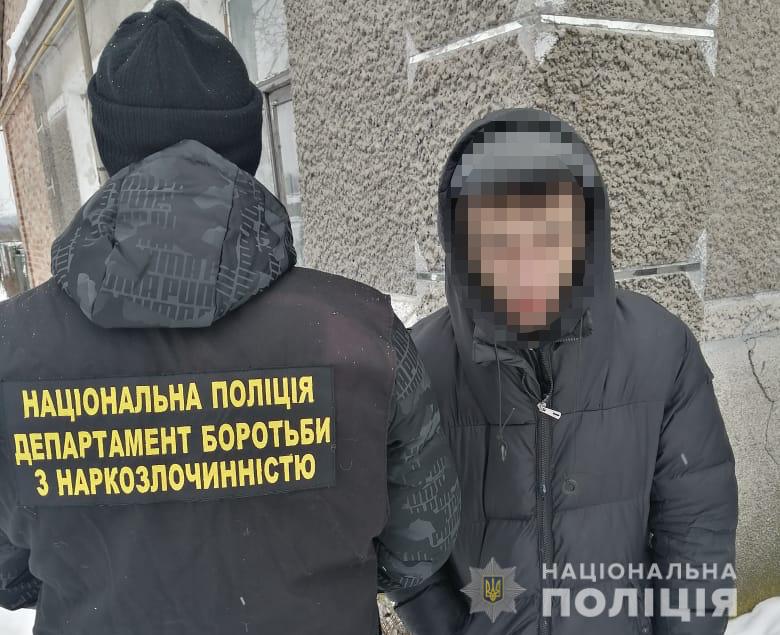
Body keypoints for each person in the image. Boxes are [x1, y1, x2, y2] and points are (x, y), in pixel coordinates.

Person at [0, 3, 460, 634]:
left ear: (109, 150)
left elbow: (10, 573)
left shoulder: (12, 350)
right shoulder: (361, 334)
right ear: (248, 147)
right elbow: (418, 547)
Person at [388, 108, 738, 635]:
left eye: (550, 236)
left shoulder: (660, 351)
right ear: (463, 248)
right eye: (498, 241)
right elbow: (408, 542)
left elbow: (698, 535)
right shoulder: (422, 365)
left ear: (585, 236)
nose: (526, 267)